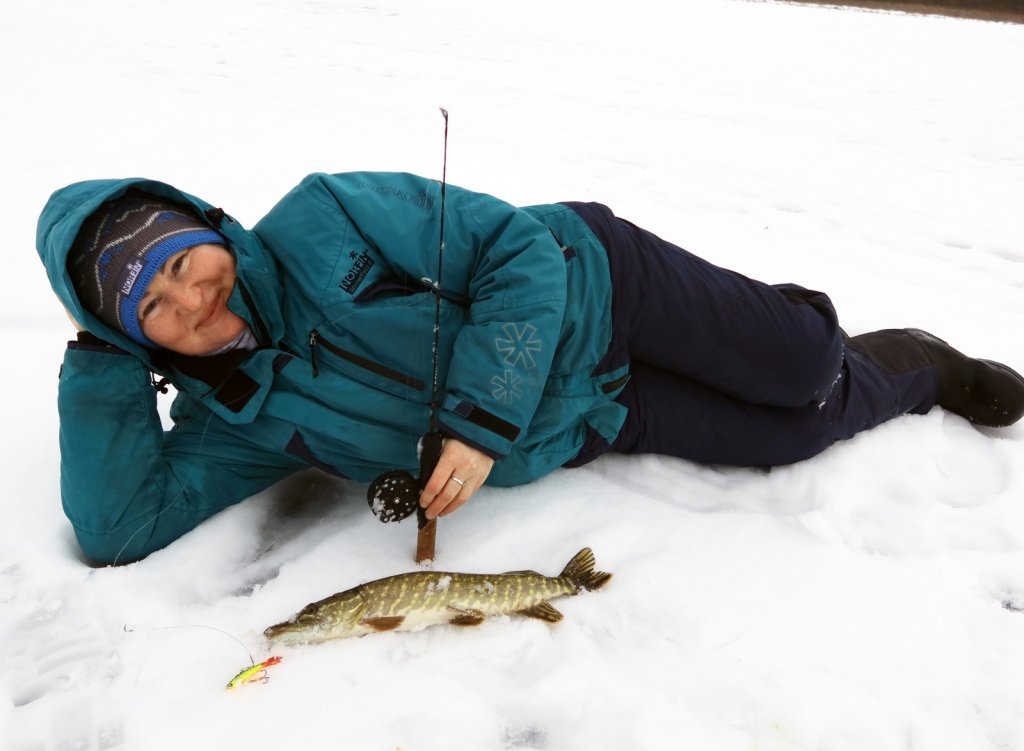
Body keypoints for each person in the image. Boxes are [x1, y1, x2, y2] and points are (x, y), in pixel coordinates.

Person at [38, 172, 1024, 565]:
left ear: (200, 225)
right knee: (799, 431)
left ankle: (837, 340)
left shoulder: (322, 214)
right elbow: (121, 527)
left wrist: (474, 419)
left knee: (805, 363)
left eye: (176, 264)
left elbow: (510, 247)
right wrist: (99, 364)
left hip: (598, 285)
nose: (189, 302)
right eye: (148, 312)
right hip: (583, 419)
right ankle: (916, 374)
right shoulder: (235, 418)